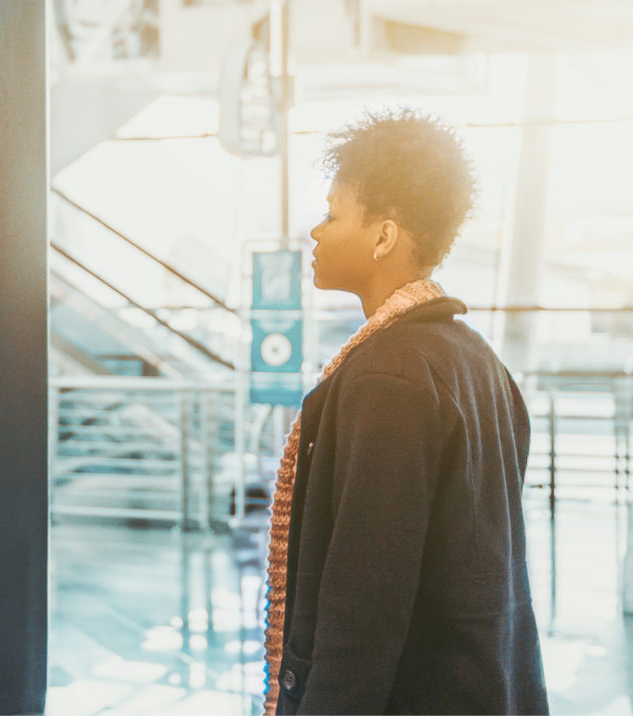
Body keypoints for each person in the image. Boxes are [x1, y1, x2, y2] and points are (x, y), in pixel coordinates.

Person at [261, 108, 547, 715]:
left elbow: (363, 607)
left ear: (383, 236)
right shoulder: (476, 360)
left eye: (333, 214)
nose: (316, 232)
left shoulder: (385, 378)